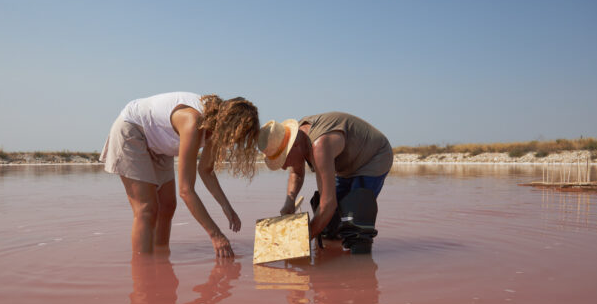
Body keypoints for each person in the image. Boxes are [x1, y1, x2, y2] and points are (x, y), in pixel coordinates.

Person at [100, 92, 259, 257]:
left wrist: (227, 207)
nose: (235, 142)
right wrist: (216, 235)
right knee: (147, 209)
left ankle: (162, 259)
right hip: (132, 130)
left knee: (168, 205)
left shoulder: (215, 128)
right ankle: (142, 269)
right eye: (237, 135)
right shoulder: (193, 122)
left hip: (159, 143)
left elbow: (206, 170)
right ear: (228, 125)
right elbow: (186, 190)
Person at [258, 112, 393, 250]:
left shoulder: (319, 146)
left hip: (373, 157)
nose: (284, 167)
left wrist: (300, 240)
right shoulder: (295, 138)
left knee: (354, 222)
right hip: (346, 165)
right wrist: (290, 200)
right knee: (330, 227)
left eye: (283, 160)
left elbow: (328, 203)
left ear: (295, 145)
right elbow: (297, 173)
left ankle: (360, 263)